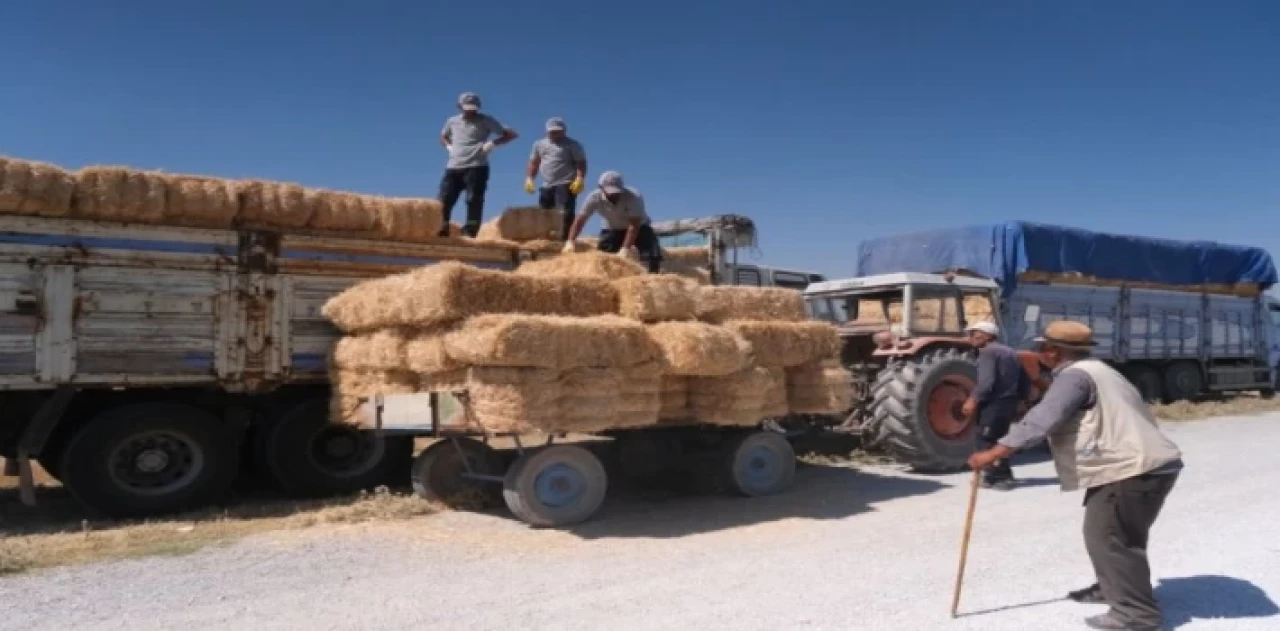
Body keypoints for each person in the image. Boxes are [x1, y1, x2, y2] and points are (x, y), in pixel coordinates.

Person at [968, 320, 1183, 631]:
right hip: (1143, 464)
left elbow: (1040, 422)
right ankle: (1113, 589)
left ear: (1054, 351)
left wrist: (993, 453)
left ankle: (1136, 615)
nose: (1038, 351)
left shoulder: (1074, 377)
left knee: (1109, 537)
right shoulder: (1101, 370)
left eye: (1042, 346)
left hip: (1130, 468)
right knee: (1118, 535)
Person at [438, 92, 518, 237]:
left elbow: (511, 134)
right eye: (467, 107)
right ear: (460, 106)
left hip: (476, 166)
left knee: (473, 199)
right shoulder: (452, 121)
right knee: (444, 199)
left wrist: (492, 144)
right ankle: (442, 229)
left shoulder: (486, 120)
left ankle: (470, 231)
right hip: (453, 166)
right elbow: (443, 136)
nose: (470, 110)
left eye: (473, 108)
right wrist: (449, 146)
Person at [959, 320, 1027, 490]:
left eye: (977, 333)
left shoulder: (987, 352)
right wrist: (1022, 400)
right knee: (1001, 438)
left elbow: (986, 383)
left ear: (989, 335)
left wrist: (972, 399)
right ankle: (999, 475)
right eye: (971, 333)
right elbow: (1024, 379)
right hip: (1008, 403)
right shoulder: (1011, 352)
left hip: (994, 404)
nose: (972, 336)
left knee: (987, 440)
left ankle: (1000, 477)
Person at [562, 171, 663, 273]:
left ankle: (652, 273)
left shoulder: (633, 196)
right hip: (611, 227)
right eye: (610, 192)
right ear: (600, 188)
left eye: (616, 192)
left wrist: (625, 249)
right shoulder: (593, 198)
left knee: (651, 251)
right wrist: (570, 241)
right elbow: (580, 221)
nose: (614, 195)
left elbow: (634, 226)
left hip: (639, 227)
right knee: (603, 256)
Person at [524, 117, 587, 239]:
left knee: (564, 214)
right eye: (552, 132)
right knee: (544, 213)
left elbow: (581, 163)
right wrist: (530, 178)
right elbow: (534, 162)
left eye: (557, 131)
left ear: (564, 131)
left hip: (565, 183)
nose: (555, 134)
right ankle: (545, 239)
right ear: (546, 131)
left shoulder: (572, 145)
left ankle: (565, 241)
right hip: (547, 184)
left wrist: (580, 178)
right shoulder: (539, 145)